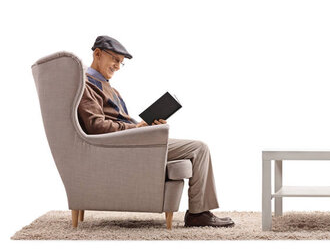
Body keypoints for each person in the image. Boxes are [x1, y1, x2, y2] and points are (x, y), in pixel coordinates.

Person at [77, 35, 234, 228]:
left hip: (132, 140)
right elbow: (96, 126)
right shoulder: (86, 85)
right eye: (115, 59)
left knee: (193, 147)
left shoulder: (107, 86)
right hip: (123, 146)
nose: (118, 66)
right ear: (98, 54)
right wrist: (136, 128)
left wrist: (146, 127)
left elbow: (117, 121)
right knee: (199, 149)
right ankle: (198, 214)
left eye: (121, 63)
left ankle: (199, 212)